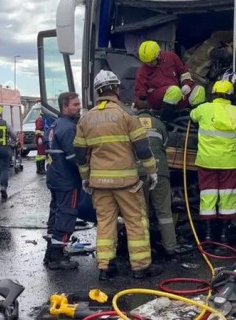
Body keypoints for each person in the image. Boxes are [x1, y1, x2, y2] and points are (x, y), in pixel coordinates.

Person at [74, 70, 163, 280]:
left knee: (105, 223)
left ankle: (105, 268)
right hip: (127, 183)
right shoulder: (127, 116)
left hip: (99, 184)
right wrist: (152, 171)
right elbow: (142, 149)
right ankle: (140, 268)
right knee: (135, 222)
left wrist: (85, 178)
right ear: (116, 88)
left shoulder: (86, 119)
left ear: (97, 92)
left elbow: (80, 154)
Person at [190, 80, 236, 242]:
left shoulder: (204, 109)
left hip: (207, 161)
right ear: (231, 95)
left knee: (208, 195)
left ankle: (208, 236)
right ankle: (223, 236)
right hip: (229, 162)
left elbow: (192, 116)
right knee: (228, 196)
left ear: (213, 93)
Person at [43, 92, 82, 270]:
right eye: (75, 104)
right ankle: (57, 256)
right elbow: (75, 157)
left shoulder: (53, 126)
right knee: (66, 214)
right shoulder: (68, 128)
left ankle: (50, 252)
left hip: (55, 178)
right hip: (67, 180)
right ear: (64, 107)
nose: (79, 107)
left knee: (56, 214)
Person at [135, 103, 177, 258]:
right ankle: (170, 248)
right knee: (164, 213)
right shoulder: (159, 124)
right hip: (160, 172)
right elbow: (164, 145)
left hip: (138, 173)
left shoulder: (129, 122)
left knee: (140, 214)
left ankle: (142, 251)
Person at [135, 40, 205, 122]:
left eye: (151, 61)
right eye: (146, 62)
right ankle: (164, 121)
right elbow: (140, 93)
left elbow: (184, 72)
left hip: (176, 95)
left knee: (199, 90)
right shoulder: (142, 71)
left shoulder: (171, 57)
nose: (149, 64)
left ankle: (196, 120)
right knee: (174, 91)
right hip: (158, 102)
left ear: (158, 55)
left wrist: (186, 84)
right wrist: (140, 106)